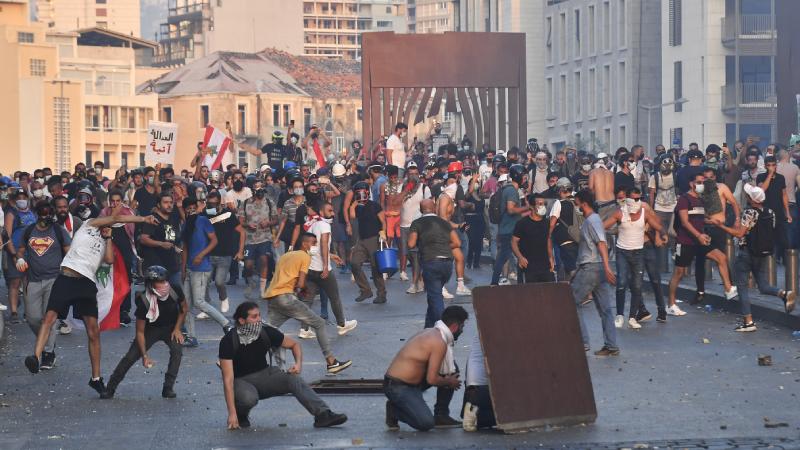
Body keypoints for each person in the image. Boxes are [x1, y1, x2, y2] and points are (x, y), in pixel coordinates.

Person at [24, 207, 158, 396]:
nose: (108, 226)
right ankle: (36, 357)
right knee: (50, 317)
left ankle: (96, 379)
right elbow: (116, 217)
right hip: (67, 276)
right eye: (108, 224)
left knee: (93, 331)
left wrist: (108, 238)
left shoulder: (104, 242)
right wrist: (143, 218)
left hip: (86, 283)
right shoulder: (89, 225)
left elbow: (110, 260)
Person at [218, 301, 348, 429]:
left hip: (265, 375)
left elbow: (294, 345)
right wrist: (232, 414)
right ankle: (241, 415)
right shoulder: (229, 340)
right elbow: (228, 380)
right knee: (248, 398)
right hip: (241, 380)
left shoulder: (265, 331)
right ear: (241, 321)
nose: (258, 320)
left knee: (293, 379)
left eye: (259, 315)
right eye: (254, 317)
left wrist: (298, 364)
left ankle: (323, 415)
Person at [710, 184, 796, 332]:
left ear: (751, 199)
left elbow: (739, 234)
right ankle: (783, 293)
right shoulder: (771, 212)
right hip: (761, 253)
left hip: (746, 253)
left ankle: (748, 321)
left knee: (742, 287)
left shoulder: (750, 213)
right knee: (762, 285)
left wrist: (721, 226)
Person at [263, 233, 352, 375]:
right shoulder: (305, 256)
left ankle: (237, 358)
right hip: (286, 298)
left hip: (272, 297)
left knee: (265, 333)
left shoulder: (287, 255)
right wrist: (304, 289)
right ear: (305, 244)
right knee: (319, 323)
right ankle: (331, 362)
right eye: (314, 243)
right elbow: (301, 283)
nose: (315, 246)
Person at [101, 266, 187, 399]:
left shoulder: (174, 288)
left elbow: (184, 308)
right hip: (151, 329)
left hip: (171, 327)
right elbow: (140, 332)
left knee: (177, 352)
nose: (164, 285)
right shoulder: (144, 300)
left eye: (165, 281)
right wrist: (145, 355)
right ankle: (110, 388)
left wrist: (177, 329)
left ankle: (168, 388)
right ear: (151, 285)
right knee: (131, 356)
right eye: (159, 282)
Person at [384, 305, 467, 431]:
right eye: (462, 327)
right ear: (455, 327)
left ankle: (441, 415)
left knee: (451, 369)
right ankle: (394, 410)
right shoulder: (438, 342)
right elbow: (432, 380)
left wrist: (448, 377)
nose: (462, 331)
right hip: (397, 387)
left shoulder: (433, 331)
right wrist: (449, 381)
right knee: (426, 423)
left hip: (411, 383)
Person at [668, 173, 738, 317]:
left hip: (700, 241)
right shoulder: (684, 199)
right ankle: (671, 303)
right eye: (698, 182)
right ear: (691, 184)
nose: (701, 185)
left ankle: (728, 288)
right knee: (679, 273)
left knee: (721, 258)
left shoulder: (700, 199)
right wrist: (699, 235)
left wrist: (710, 222)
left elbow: (698, 218)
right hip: (686, 241)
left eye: (702, 182)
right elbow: (685, 222)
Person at [15, 200, 71, 370]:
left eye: (48, 213)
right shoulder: (29, 230)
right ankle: (46, 341)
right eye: (42, 213)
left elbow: (69, 253)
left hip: (54, 279)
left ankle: (47, 353)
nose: (45, 217)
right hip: (32, 279)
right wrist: (20, 258)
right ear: (36, 213)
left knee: (49, 319)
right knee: (32, 318)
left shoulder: (58, 231)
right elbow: (21, 250)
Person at [602, 187, 664, 329]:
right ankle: (624, 315)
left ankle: (654, 312)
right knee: (624, 282)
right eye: (621, 198)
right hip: (624, 251)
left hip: (643, 249)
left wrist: (661, 235)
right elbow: (605, 225)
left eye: (638, 198)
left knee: (647, 281)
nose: (636, 201)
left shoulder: (645, 209)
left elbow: (657, 223)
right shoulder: (621, 211)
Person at [569, 189, 619, 356]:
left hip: (592, 268)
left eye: (576, 202)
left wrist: (606, 266)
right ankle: (611, 345)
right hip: (594, 267)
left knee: (571, 301)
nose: (576, 206)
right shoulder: (590, 220)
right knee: (605, 309)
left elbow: (602, 243)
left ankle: (582, 341)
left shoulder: (593, 221)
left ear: (583, 203)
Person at [301, 200, 357, 336]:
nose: (332, 214)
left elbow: (314, 247)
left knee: (308, 299)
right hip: (321, 269)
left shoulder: (313, 225)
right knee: (334, 297)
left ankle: (304, 329)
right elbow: (324, 245)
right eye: (329, 211)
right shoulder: (324, 226)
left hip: (310, 268)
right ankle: (342, 325)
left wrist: (331, 255)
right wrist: (326, 266)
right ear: (321, 212)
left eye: (333, 211)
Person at [181, 197, 231, 348]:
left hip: (202, 268)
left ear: (197, 207)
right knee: (187, 305)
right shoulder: (185, 225)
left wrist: (201, 255)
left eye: (192, 207)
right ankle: (191, 336)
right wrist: (183, 269)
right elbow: (185, 248)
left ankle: (226, 324)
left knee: (199, 302)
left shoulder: (202, 221)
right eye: (187, 208)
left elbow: (214, 241)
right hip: (189, 268)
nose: (190, 210)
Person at [408, 199, 461, 328]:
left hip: (431, 261)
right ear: (434, 209)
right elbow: (457, 243)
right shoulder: (444, 223)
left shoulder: (417, 223)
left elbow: (411, 243)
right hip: (447, 263)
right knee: (434, 293)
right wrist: (444, 245)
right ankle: (428, 327)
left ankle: (442, 327)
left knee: (435, 296)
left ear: (421, 210)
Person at [204, 191, 245, 314]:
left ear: (220, 202)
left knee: (219, 281)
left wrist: (240, 251)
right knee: (204, 282)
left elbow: (242, 232)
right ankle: (206, 306)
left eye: (214, 204)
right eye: (209, 204)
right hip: (208, 254)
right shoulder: (204, 215)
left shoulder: (228, 215)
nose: (212, 206)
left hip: (225, 254)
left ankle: (223, 298)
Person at [348, 182, 388, 303]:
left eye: (363, 191)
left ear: (367, 192)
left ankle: (381, 294)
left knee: (376, 268)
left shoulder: (374, 205)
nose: (361, 194)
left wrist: (383, 233)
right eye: (358, 192)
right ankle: (365, 290)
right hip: (362, 239)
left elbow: (383, 221)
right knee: (354, 263)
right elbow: (352, 216)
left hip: (374, 238)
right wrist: (354, 203)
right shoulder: (357, 207)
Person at [490, 166, 526, 285]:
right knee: (503, 258)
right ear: (518, 176)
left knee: (514, 256)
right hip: (509, 230)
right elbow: (511, 210)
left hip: (509, 229)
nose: (526, 179)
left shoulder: (510, 189)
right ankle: (494, 283)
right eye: (524, 176)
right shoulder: (511, 190)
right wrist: (527, 207)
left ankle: (520, 282)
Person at [4, 189, 36, 323]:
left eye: (24, 197)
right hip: (16, 251)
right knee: (15, 282)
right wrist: (13, 253)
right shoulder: (11, 214)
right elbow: (7, 235)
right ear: (14, 200)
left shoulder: (32, 213)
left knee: (28, 283)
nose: (22, 199)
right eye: (19, 197)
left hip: (31, 252)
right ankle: (14, 312)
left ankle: (28, 312)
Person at [139, 192, 182, 287]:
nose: (169, 205)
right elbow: (143, 239)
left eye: (171, 202)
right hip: (156, 266)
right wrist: (161, 244)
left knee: (176, 296)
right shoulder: (152, 219)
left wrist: (175, 248)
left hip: (172, 265)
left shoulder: (171, 218)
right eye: (166, 202)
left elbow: (170, 240)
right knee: (157, 297)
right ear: (158, 204)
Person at [241, 187, 277, 298]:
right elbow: (241, 220)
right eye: (258, 191)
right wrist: (248, 225)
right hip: (249, 239)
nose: (261, 193)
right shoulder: (245, 203)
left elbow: (276, 219)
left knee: (264, 261)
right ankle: (250, 281)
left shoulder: (269, 203)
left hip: (265, 238)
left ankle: (262, 290)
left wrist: (269, 223)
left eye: (262, 191)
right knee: (248, 265)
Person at [400, 163, 431, 294]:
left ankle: (415, 283)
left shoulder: (424, 188)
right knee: (410, 257)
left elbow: (429, 206)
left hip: (418, 226)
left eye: (415, 173)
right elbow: (396, 203)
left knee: (416, 255)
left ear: (419, 175)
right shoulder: (401, 187)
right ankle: (419, 281)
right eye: (410, 173)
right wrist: (406, 190)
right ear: (406, 174)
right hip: (403, 225)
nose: (413, 176)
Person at [512, 194, 554, 283]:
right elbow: (514, 242)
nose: (543, 206)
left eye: (544, 204)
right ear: (531, 207)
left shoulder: (547, 223)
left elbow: (548, 239)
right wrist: (520, 257)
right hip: (528, 266)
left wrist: (551, 257)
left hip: (544, 266)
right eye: (540, 204)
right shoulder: (522, 223)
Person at [757, 156, 791, 259]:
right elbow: (762, 189)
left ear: (776, 165)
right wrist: (770, 174)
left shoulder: (781, 178)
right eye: (769, 165)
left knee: (783, 238)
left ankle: (783, 259)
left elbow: (784, 195)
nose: (771, 167)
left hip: (779, 211)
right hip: (766, 211)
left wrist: (788, 213)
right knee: (767, 237)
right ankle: (769, 258)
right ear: (765, 166)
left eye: (773, 165)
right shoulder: (761, 177)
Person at [548, 178, 580, 279]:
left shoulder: (559, 203)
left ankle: (582, 292)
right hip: (581, 240)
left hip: (566, 242)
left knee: (570, 271)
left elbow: (552, 224)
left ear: (560, 190)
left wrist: (548, 237)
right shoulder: (579, 201)